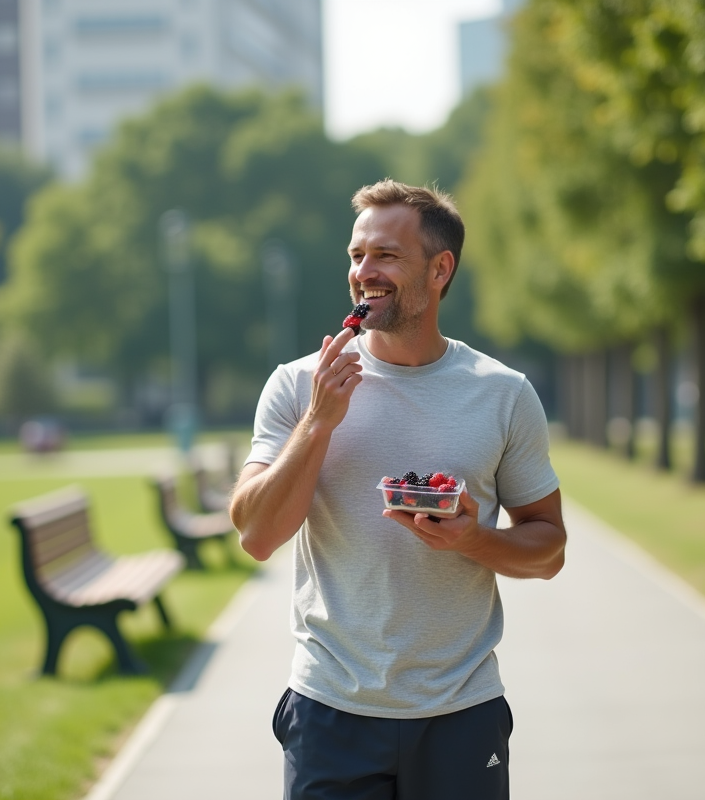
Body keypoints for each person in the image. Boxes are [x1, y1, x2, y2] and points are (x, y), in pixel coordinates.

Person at [229, 180, 567, 800]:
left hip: (461, 712)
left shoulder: (504, 393)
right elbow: (256, 535)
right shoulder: (297, 384)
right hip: (329, 710)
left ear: (440, 270)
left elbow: (549, 551)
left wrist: (472, 539)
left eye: (385, 255)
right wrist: (319, 422)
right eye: (357, 257)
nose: (363, 272)